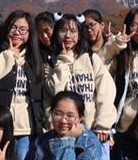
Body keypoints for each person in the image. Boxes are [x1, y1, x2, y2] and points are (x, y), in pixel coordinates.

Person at [0, 10, 49, 160]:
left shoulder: (35, 59)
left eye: (23, 29)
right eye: (13, 28)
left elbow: (42, 96)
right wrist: (8, 55)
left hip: (26, 129)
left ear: (30, 33)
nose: (17, 33)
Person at [48, 14, 117, 142]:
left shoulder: (91, 59)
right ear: (56, 34)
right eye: (63, 30)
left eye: (73, 31)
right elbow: (55, 91)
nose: (68, 35)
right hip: (61, 133)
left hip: (94, 132)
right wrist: (63, 60)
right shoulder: (50, 62)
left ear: (80, 35)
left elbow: (106, 91)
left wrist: (103, 124)